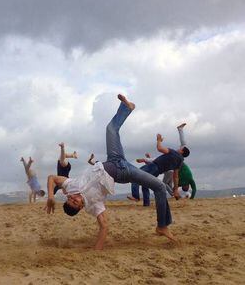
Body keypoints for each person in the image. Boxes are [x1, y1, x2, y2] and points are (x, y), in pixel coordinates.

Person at [46, 94, 176, 250]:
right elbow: (104, 227)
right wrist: (97, 250)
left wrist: (51, 197)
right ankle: (162, 226)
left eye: (70, 199)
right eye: (75, 202)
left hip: (114, 159)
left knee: (111, 128)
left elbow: (52, 178)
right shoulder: (93, 206)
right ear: (80, 207)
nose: (74, 198)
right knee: (160, 187)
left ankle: (127, 107)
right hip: (124, 172)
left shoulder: (70, 187)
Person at [128, 123, 190, 204]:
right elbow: (176, 177)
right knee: (145, 184)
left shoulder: (174, 153)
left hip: (153, 166)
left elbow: (159, 148)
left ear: (182, 151)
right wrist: (175, 190)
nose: (179, 148)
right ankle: (146, 203)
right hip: (158, 171)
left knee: (135, 175)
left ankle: (136, 196)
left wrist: (159, 140)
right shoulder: (180, 162)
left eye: (180, 148)